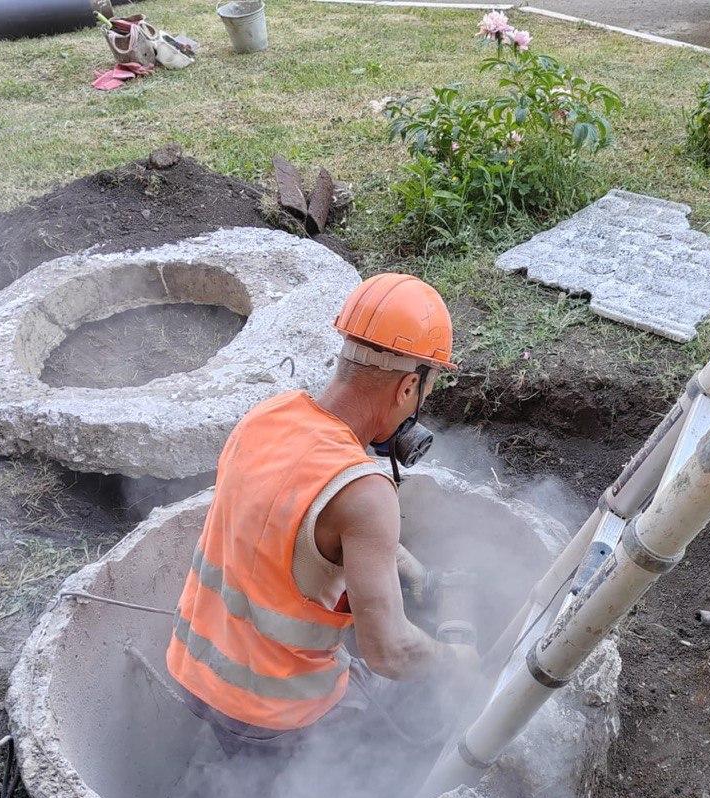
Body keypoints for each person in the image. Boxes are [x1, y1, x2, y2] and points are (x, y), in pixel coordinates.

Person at [166, 273, 482, 756]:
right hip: (275, 712)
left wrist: (411, 571)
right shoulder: (367, 495)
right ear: (406, 388)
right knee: (393, 743)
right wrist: (451, 660)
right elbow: (389, 651)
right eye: (425, 392)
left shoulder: (267, 417)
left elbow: (294, 529)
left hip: (193, 670)